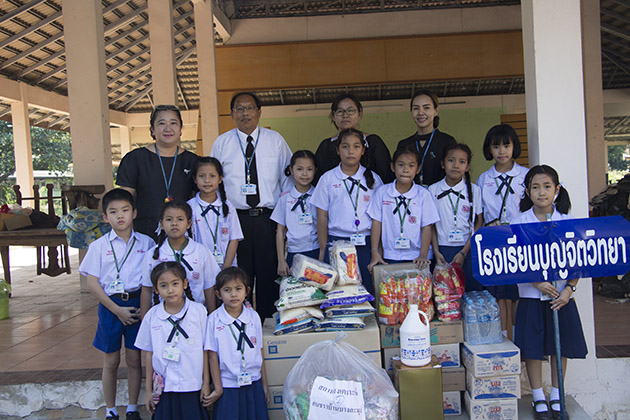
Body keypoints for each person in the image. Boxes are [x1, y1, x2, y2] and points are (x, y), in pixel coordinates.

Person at [511, 165, 587, 420]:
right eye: (535, 187)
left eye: (547, 186)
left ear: (557, 190)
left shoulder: (568, 222)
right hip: (531, 296)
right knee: (532, 348)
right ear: (527, 191)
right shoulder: (519, 223)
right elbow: (513, 261)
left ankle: (556, 394)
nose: (541, 192)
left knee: (559, 346)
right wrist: (536, 282)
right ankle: (538, 397)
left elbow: (579, 261)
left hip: (560, 297)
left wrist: (570, 289)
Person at [211, 92, 292, 321]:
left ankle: (268, 323)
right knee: (239, 277)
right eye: (239, 109)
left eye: (249, 108)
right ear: (232, 113)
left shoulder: (275, 140)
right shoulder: (222, 143)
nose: (244, 113)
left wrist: (284, 218)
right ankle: (239, 324)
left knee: (269, 276)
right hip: (235, 219)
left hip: (268, 219)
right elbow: (214, 181)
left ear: (259, 112)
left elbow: (287, 179)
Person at [78, 188, 155, 420]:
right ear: (105, 217)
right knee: (111, 360)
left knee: (134, 359)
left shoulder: (147, 243)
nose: (120, 216)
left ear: (134, 213)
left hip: (137, 304)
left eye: (125, 210)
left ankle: (132, 408)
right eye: (113, 212)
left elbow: (151, 280)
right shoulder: (98, 246)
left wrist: (145, 310)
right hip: (111, 306)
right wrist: (116, 310)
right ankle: (110, 409)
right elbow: (92, 283)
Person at [311, 128, 383, 295]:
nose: (351, 151)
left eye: (356, 146)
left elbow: (378, 219)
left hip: (366, 243)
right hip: (336, 243)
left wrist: (377, 250)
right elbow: (322, 216)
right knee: (339, 293)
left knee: (367, 291)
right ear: (337, 150)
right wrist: (323, 249)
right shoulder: (327, 178)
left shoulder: (374, 179)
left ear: (363, 150)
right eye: (345, 146)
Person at [135, 262, 211, 420]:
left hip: (192, 384)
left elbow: (205, 350)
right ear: (156, 289)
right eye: (163, 286)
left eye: (175, 284)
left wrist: (205, 383)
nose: (170, 290)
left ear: (185, 284)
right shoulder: (152, 316)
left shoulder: (199, 312)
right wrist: (148, 391)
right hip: (165, 387)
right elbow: (149, 354)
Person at [117, 105, 198, 241]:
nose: (168, 128)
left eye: (173, 123)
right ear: (152, 130)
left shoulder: (193, 161)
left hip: (182, 237)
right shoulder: (135, 159)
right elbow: (124, 201)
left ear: (180, 129)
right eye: (161, 123)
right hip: (144, 236)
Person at [477, 124, 529, 336]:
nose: (502, 151)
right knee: (499, 294)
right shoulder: (484, 179)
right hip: (495, 241)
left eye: (506, 146)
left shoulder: (525, 175)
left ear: (514, 147)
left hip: (520, 240)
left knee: (517, 293)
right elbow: (480, 215)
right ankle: (503, 337)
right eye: (496, 146)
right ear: (489, 149)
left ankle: (518, 337)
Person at [204, 267, 269, 420]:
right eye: (227, 290)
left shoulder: (253, 317)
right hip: (228, 385)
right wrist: (218, 388)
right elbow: (212, 356)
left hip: (253, 382)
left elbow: (259, 351)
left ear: (247, 291)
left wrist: (264, 385)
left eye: (238, 289)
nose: (233, 294)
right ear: (218, 294)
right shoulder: (213, 320)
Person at [140, 201, 219, 317]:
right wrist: (144, 320)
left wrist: (211, 317)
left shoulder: (201, 252)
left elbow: (209, 288)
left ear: (189, 223)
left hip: (195, 316)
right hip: (162, 317)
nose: (174, 223)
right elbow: (147, 289)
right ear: (162, 224)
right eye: (169, 219)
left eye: (180, 219)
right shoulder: (152, 254)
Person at [367, 147, 439, 271]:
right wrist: (375, 251)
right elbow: (376, 222)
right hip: (389, 255)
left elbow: (427, 226)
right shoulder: (382, 192)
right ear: (392, 167)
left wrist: (423, 254)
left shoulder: (423, 194)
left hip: (417, 257)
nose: (405, 170)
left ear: (418, 169)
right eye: (401, 165)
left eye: (411, 166)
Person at [428, 143, 483, 291]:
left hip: (467, 249)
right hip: (442, 250)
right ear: (443, 164)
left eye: (462, 162)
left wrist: (464, 252)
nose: (456, 165)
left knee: (470, 293)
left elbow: (478, 222)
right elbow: (431, 225)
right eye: (451, 160)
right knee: (445, 295)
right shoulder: (433, 190)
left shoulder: (475, 190)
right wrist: (436, 251)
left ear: (467, 166)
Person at [314, 93, 392, 184]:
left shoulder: (373, 142)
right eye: (340, 111)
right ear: (333, 116)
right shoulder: (325, 146)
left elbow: (386, 177)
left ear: (359, 114)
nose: (345, 115)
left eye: (350, 110)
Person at [188, 157, 244, 269]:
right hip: (199, 267)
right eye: (201, 176)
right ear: (195, 179)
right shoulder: (190, 207)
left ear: (220, 179)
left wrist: (226, 268)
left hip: (226, 267)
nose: (207, 180)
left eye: (212, 176)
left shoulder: (228, 206)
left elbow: (234, 239)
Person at [271, 150, 319, 276]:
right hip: (294, 252)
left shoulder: (319, 196)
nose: (305, 174)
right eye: (299, 169)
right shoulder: (285, 199)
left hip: (316, 250)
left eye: (309, 169)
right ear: (291, 170)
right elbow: (280, 231)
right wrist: (281, 261)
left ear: (315, 170)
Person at [395, 90, 456, 186]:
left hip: (439, 194)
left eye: (426, 108)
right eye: (416, 108)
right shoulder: (404, 144)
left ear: (436, 111)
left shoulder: (447, 142)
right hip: (412, 195)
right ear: (411, 112)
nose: (420, 113)